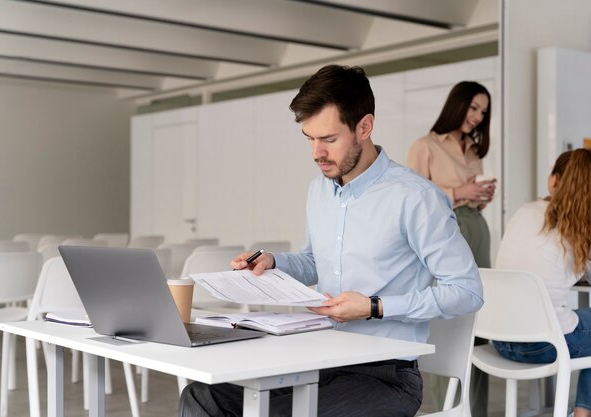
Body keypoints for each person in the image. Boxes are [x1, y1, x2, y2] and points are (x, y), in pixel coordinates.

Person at [178, 65, 483, 417]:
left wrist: (373, 307)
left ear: (364, 127)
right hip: (320, 358)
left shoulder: (416, 198)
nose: (316, 153)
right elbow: (314, 260)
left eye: (328, 139)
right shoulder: (320, 190)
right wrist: (274, 261)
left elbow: (467, 290)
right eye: (310, 138)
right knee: (203, 396)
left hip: (384, 374)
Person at [407, 81, 495, 417]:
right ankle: (449, 407)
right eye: (473, 108)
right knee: (451, 316)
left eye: (483, 112)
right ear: (457, 105)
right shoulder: (425, 146)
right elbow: (413, 198)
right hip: (446, 230)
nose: (477, 117)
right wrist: (460, 191)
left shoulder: (473, 151)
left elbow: (470, 196)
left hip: (476, 226)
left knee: (480, 319)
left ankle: (479, 410)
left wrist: (481, 195)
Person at [495, 148, 591, 417]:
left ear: (553, 180)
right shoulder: (580, 227)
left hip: (500, 339)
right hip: (541, 346)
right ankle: (584, 413)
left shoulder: (525, 211)